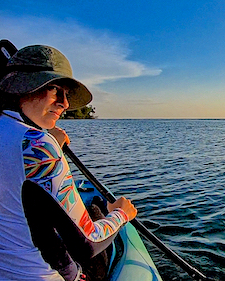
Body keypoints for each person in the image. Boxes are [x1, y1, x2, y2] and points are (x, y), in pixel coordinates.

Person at [0, 45, 137, 280]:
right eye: (54, 90)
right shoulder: (37, 145)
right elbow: (87, 244)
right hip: (34, 275)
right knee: (97, 214)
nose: (64, 103)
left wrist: (50, 141)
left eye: (66, 94)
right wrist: (122, 214)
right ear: (21, 88)